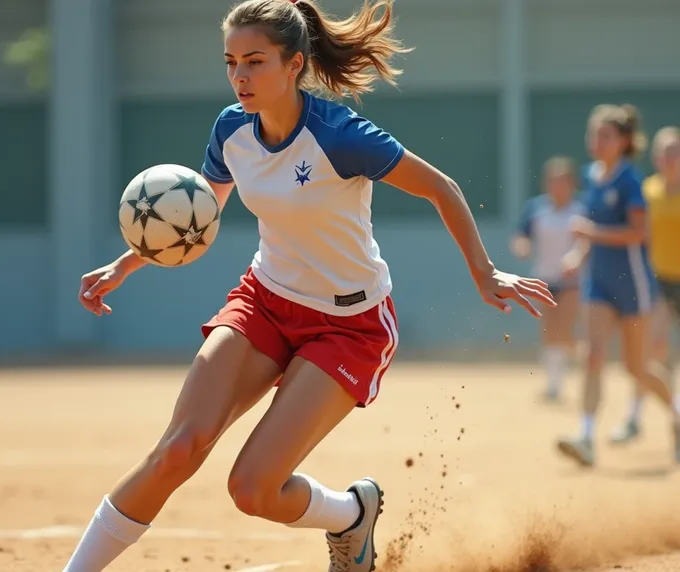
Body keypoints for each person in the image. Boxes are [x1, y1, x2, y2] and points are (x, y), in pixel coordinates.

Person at [63, 1, 554, 570]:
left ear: (293, 64)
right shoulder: (231, 130)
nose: (241, 76)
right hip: (265, 301)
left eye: (255, 61)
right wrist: (125, 265)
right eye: (231, 63)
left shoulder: (340, 135)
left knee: (251, 490)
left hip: (349, 326)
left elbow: (442, 188)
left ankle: (349, 515)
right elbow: (197, 217)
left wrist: (485, 272)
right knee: (177, 449)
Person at [556, 104, 680, 467]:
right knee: (593, 356)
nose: (596, 141)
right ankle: (586, 435)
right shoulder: (591, 175)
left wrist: (590, 234)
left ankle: (675, 412)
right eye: (593, 134)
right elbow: (590, 230)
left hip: (633, 286)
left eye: (605, 135)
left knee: (637, 367)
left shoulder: (630, 181)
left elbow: (639, 233)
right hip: (599, 284)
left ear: (623, 142)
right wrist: (578, 257)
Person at [609, 126, 680, 445]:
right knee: (650, 353)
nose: (670, 158)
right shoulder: (647, 191)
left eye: (675, 151)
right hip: (657, 281)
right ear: (655, 157)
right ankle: (635, 417)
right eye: (665, 152)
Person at [511, 156, 585, 401]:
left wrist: (576, 258)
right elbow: (521, 235)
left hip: (572, 280)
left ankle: (583, 357)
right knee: (549, 331)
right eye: (553, 181)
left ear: (571, 183)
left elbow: (587, 241)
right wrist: (522, 246)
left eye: (562, 181)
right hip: (543, 278)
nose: (557, 186)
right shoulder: (536, 208)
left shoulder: (581, 209)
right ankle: (554, 385)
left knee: (564, 330)